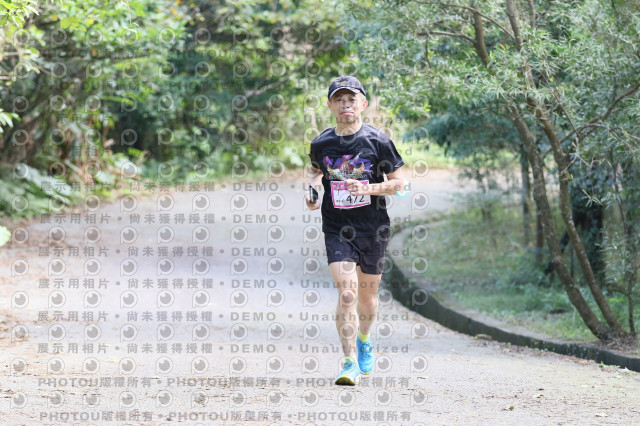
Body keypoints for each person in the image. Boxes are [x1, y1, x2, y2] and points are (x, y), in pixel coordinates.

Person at [305, 75, 408, 385]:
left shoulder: (379, 141)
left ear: (362, 104)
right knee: (348, 293)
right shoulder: (321, 143)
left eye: (351, 99)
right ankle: (349, 362)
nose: (345, 104)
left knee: (367, 300)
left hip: (373, 229)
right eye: (339, 99)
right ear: (330, 106)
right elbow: (314, 172)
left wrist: (368, 189)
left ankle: (364, 338)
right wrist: (311, 190)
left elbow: (399, 185)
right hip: (337, 228)